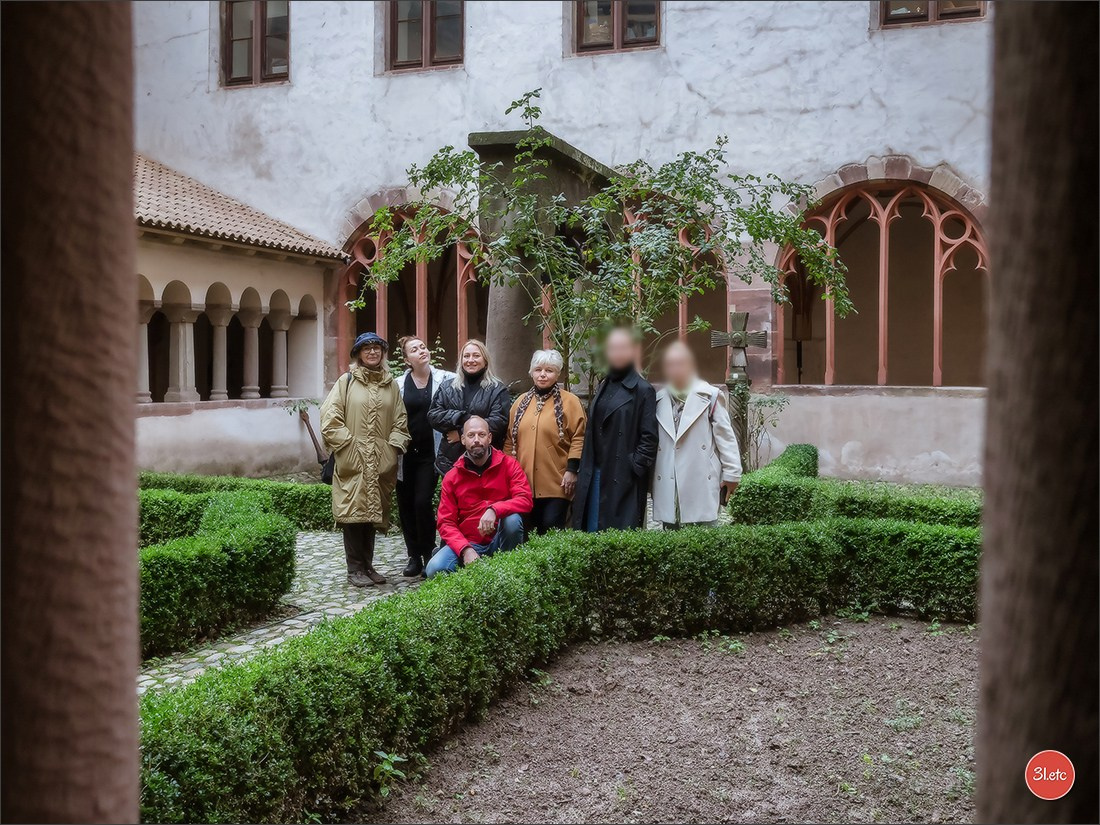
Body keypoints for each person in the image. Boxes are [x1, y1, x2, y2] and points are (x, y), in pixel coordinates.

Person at [320, 331, 410, 587]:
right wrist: (348, 445)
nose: (372, 352)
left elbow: (400, 421)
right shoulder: (346, 382)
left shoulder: (390, 385)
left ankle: (368, 566)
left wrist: (392, 449)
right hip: (353, 460)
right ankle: (354, 569)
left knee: (372, 515)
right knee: (353, 514)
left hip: (380, 461)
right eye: (367, 348)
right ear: (358, 354)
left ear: (383, 353)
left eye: (377, 348)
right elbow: (330, 418)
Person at [573, 326, 659, 531]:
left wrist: (634, 466)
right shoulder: (605, 383)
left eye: (622, 348)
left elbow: (649, 436)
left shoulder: (643, 389)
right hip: (596, 471)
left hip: (622, 475)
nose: (617, 353)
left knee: (618, 536)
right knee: (592, 528)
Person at [425, 415, 533, 578]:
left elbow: (525, 499)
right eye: (471, 435)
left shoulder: (509, 465)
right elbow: (445, 522)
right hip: (468, 542)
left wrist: (495, 509)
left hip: (500, 538)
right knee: (434, 568)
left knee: (512, 520)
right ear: (463, 440)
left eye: (481, 435)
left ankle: (509, 573)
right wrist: (465, 550)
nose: (476, 439)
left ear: (489, 438)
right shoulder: (452, 477)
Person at [651, 341, 742, 528]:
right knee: (672, 534)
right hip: (671, 482)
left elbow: (726, 437)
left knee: (705, 536)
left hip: (700, 477)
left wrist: (732, 473)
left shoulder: (711, 396)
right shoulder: (658, 399)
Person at [504, 349, 587, 535]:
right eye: (538, 369)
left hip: (557, 482)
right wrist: (510, 472)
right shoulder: (520, 402)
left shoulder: (570, 402)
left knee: (550, 529)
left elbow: (579, 437)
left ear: (557, 374)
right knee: (523, 531)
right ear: (531, 372)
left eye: (549, 370)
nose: (542, 374)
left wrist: (572, 470)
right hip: (523, 483)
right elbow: (510, 440)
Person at [394, 335, 457, 578]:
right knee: (406, 504)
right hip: (405, 453)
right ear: (407, 359)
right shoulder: (398, 384)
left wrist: (457, 428)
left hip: (432, 453)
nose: (421, 351)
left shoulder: (447, 379)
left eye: (423, 346)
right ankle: (413, 556)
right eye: (414, 349)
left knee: (422, 502)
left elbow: (456, 407)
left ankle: (428, 551)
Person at [428, 339, 510, 475]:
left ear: (485, 360)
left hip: (486, 463)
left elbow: (499, 422)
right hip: (451, 462)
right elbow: (433, 415)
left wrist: (462, 435)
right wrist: (462, 417)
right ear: (461, 361)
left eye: (476, 356)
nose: (470, 360)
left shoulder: (497, 389)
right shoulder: (447, 387)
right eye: (466, 356)